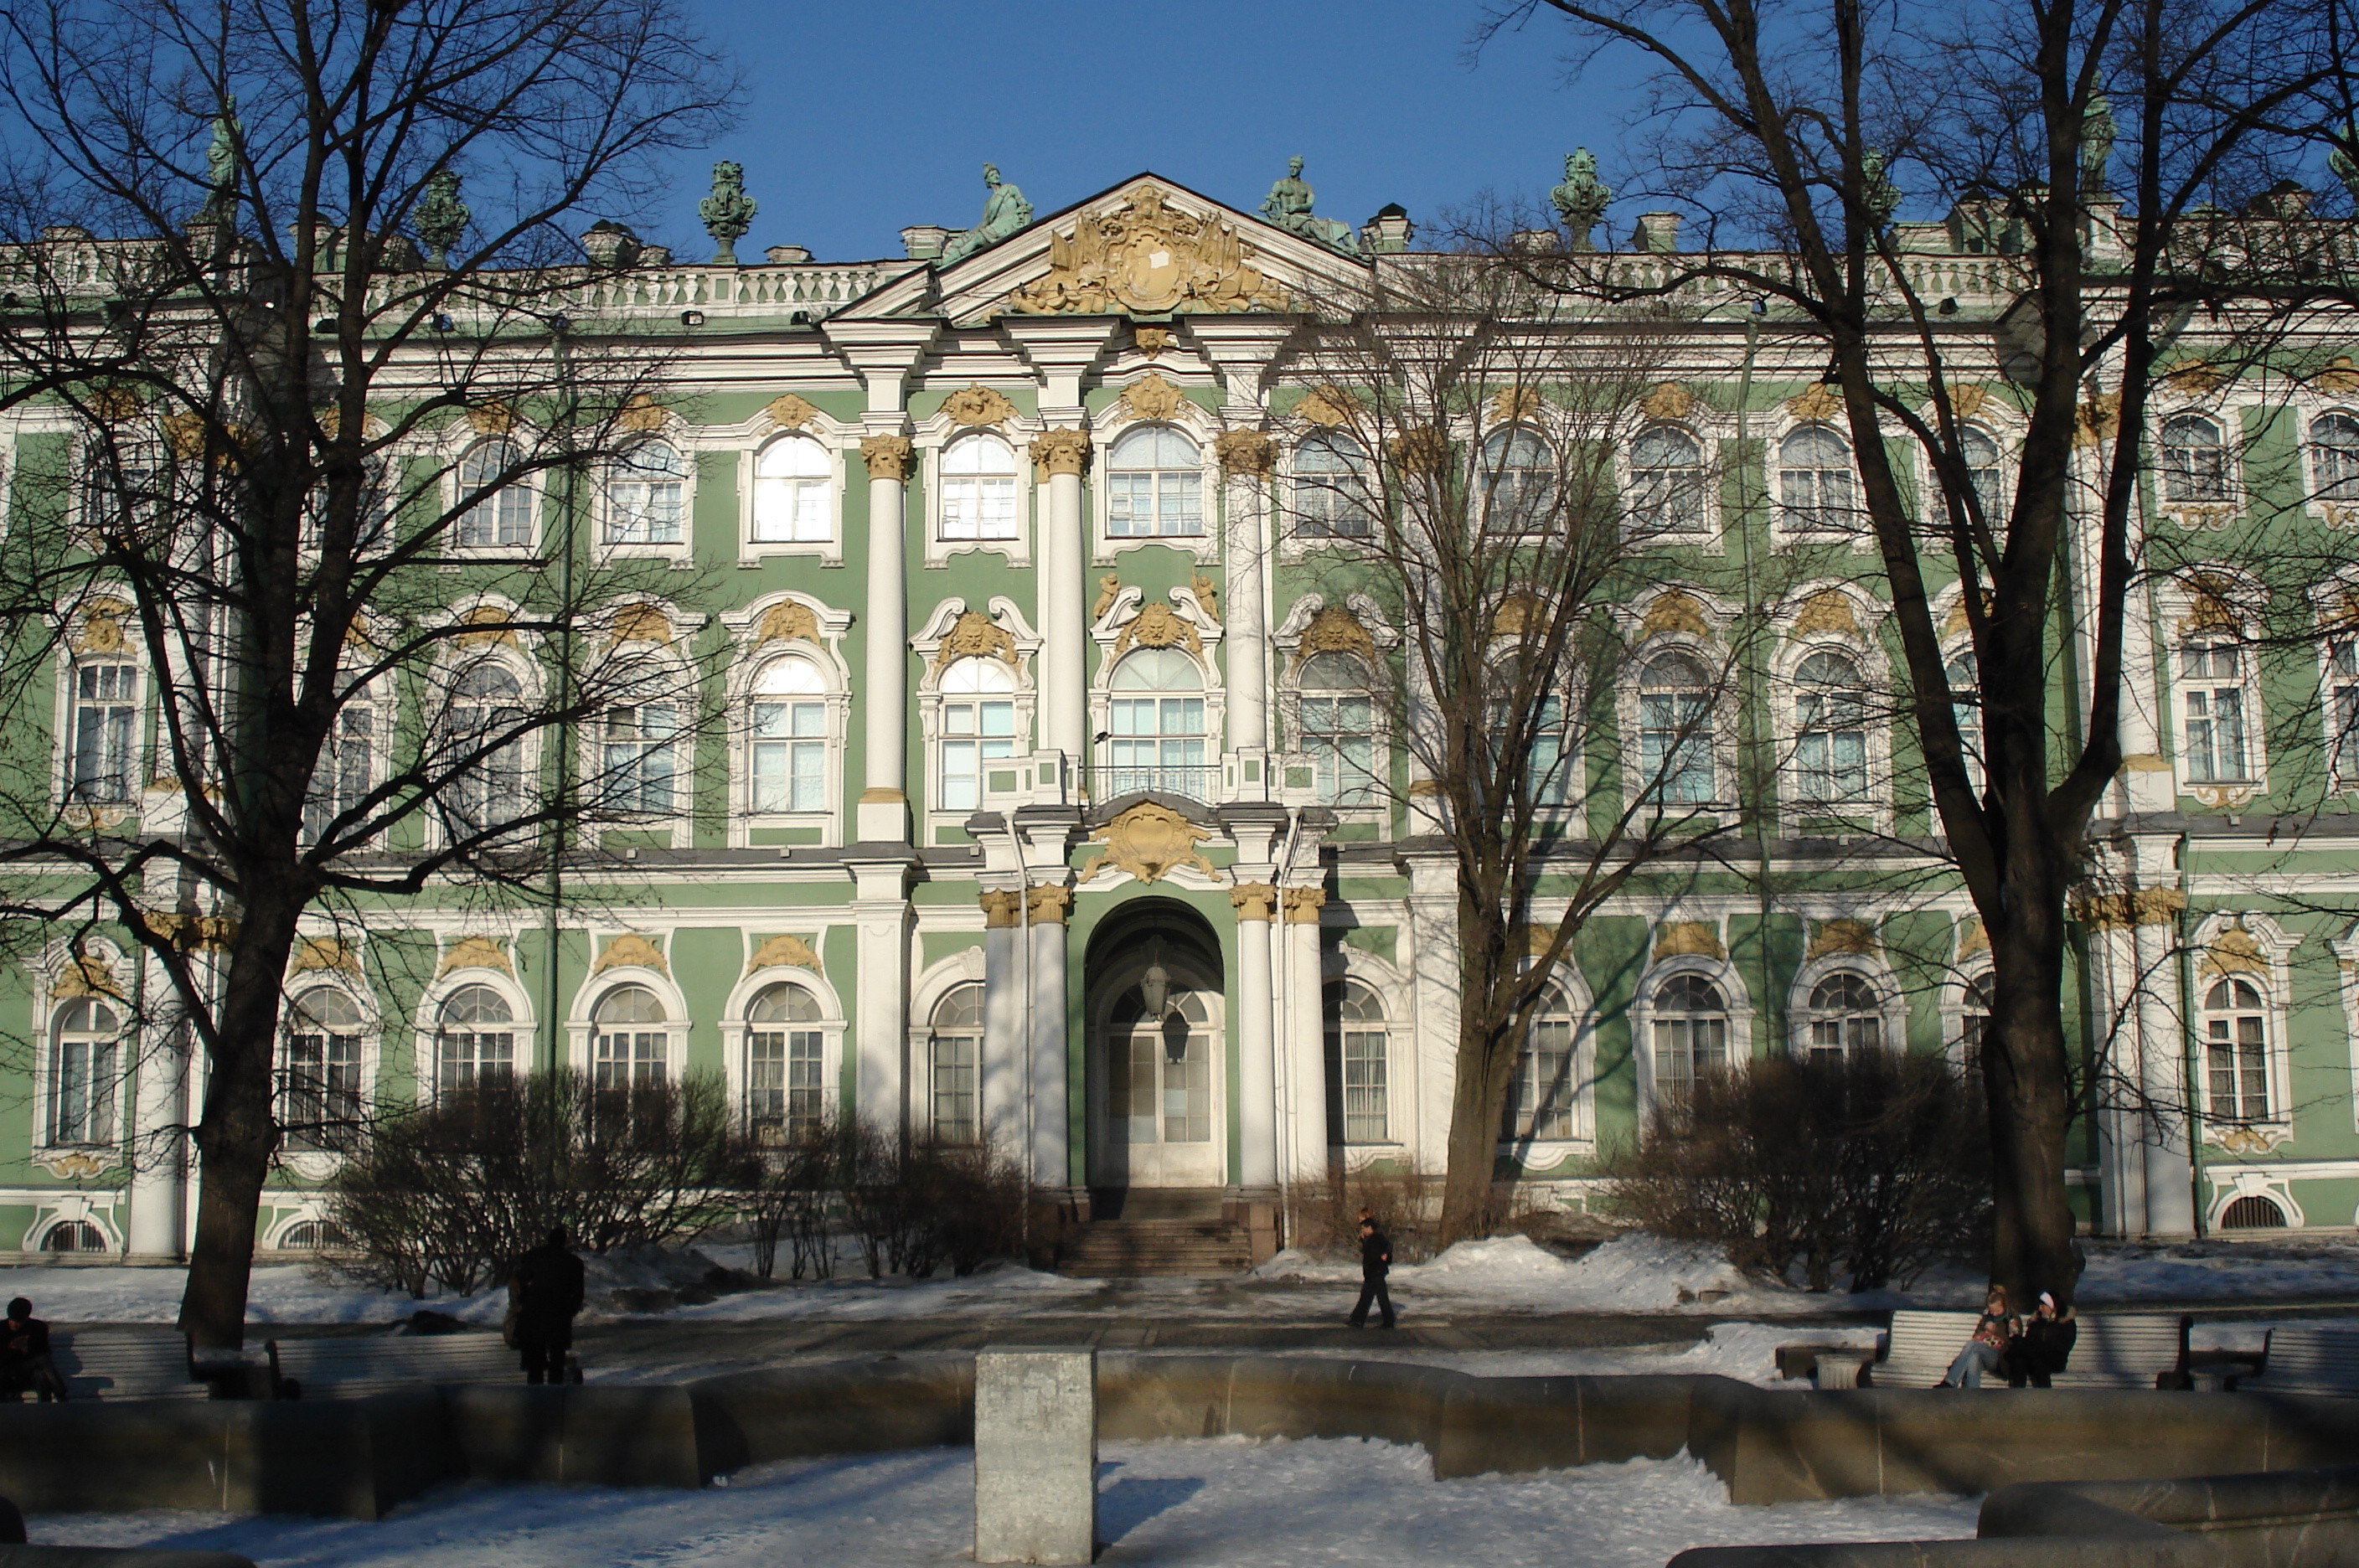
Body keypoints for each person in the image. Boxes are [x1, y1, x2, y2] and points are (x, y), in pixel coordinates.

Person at [507, 1228, 586, 1385]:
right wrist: (570, 1311)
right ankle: (554, 1398)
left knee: (534, 1364)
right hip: (558, 1315)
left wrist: (523, 1302)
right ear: (564, 1242)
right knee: (557, 1360)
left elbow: (518, 1283)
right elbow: (578, 1294)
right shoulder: (573, 1263)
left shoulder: (532, 1257)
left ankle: (536, 1400)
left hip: (532, 1314)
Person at [1936, 1286, 2016, 1389]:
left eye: (1997, 1311)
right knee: (1974, 1356)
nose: (1994, 1314)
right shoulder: (1986, 1319)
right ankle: (1972, 1392)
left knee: (1973, 1345)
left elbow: (2013, 1343)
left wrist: (1995, 1333)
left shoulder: (2011, 1319)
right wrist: (1984, 1333)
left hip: (2000, 1358)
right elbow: (1976, 1337)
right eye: (1992, 1311)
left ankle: (1950, 1381)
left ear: (2004, 1307)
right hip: (1983, 1355)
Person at [2005, 1292, 2078, 1388]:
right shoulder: (2037, 1321)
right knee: (2019, 1361)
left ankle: (2045, 1397)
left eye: (2043, 1305)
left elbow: (2064, 1345)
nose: (2040, 1308)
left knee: (2039, 1364)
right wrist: (2016, 1336)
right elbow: (2029, 1341)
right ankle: (2017, 1395)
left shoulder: (2066, 1323)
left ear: (2053, 1307)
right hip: (2034, 1355)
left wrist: (2038, 1349)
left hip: (2055, 1359)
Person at [0, 1298, 67, 1402]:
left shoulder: (37, 1328)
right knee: (42, 1361)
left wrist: (26, 1348)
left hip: (28, 1374)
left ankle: (45, 1409)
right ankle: (61, 1395)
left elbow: (44, 1350)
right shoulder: (1, 1329)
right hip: (6, 1375)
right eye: (13, 1320)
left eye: (20, 1322)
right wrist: (13, 1349)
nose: (15, 1325)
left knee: (40, 1373)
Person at [1349, 1217, 1396, 1330]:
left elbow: (1387, 1248)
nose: (1363, 1230)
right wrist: (1363, 1241)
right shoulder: (1371, 1238)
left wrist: (1385, 1255)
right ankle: (1357, 1319)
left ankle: (1388, 1321)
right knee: (1366, 1296)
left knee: (1380, 1298)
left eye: (1364, 1228)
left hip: (1376, 1272)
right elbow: (1368, 1252)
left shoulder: (1377, 1238)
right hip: (1372, 1272)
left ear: (1370, 1227)